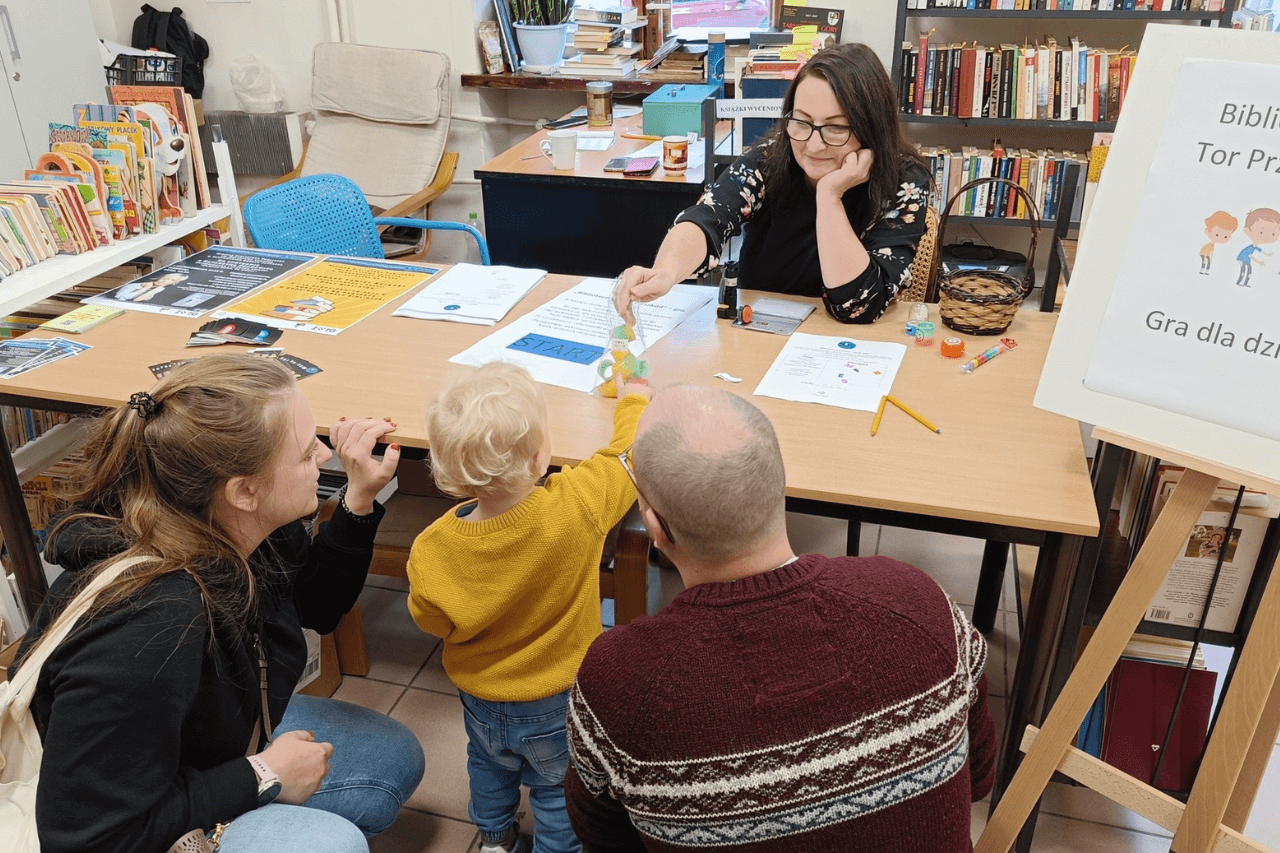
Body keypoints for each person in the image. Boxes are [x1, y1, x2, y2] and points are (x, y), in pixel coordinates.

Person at [14, 355, 425, 853]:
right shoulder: (151, 626)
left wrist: (359, 499)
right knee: (330, 844)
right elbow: (87, 838)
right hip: (109, 825)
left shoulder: (224, 520)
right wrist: (263, 773)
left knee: (392, 757)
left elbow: (316, 608)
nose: (323, 455)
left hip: (188, 757)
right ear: (244, 491)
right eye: (303, 454)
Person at [565, 385, 996, 852]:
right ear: (778, 484)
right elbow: (980, 776)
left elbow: (602, 838)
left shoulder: (621, 684)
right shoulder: (919, 604)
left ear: (655, 528)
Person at [406, 362, 650, 853]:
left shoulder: (431, 548)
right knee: (559, 790)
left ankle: (495, 840)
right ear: (541, 457)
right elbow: (628, 457)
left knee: (489, 767)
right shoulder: (576, 505)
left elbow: (431, 620)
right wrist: (635, 401)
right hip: (556, 699)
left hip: (480, 698)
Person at [613, 43, 930, 326]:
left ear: (871, 127)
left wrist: (830, 196)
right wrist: (666, 272)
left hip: (849, 354)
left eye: (835, 128)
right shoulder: (769, 158)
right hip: (757, 336)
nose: (813, 145)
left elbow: (857, 305)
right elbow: (709, 217)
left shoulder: (905, 181)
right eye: (802, 121)